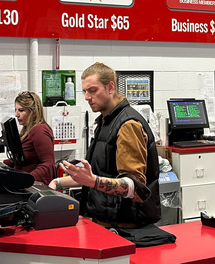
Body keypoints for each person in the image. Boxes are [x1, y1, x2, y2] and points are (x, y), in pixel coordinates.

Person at [48, 62, 160, 228]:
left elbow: (133, 187)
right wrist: (58, 182)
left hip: (125, 225)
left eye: (93, 90)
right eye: (84, 91)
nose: (87, 97)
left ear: (110, 88)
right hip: (104, 218)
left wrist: (92, 181)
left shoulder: (128, 124)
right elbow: (100, 175)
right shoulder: (104, 121)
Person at [8, 91, 55, 184]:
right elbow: (20, 159)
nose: (16, 114)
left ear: (33, 112)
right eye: (16, 110)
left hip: (35, 187)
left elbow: (48, 165)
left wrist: (27, 179)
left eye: (21, 110)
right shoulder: (26, 130)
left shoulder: (40, 131)